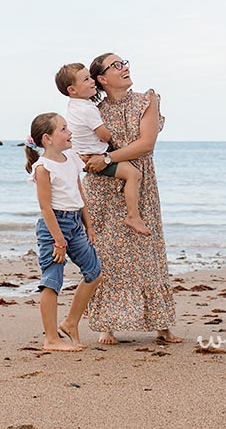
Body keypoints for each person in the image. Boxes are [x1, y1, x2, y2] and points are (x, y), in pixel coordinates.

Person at [81, 54, 180, 346]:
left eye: (124, 62)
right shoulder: (92, 111)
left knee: (148, 252)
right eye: (116, 65)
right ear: (101, 78)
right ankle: (107, 325)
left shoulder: (147, 100)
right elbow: (81, 145)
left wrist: (108, 157)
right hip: (102, 186)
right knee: (107, 253)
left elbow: (146, 144)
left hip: (139, 182)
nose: (125, 67)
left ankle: (161, 324)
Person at [24, 112, 101, 351]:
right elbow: (45, 207)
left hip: (75, 224)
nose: (70, 133)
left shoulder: (71, 158)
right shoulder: (43, 168)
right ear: (47, 138)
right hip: (53, 228)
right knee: (52, 281)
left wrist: (88, 225)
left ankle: (70, 323)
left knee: (94, 271)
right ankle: (51, 339)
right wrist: (59, 241)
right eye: (64, 129)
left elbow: (79, 192)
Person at [55, 62, 150, 236]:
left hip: (83, 155)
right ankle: (133, 216)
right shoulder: (88, 110)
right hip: (95, 156)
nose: (92, 82)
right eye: (86, 79)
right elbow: (105, 136)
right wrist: (111, 131)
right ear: (72, 90)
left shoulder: (74, 106)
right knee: (133, 174)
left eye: (90, 77)